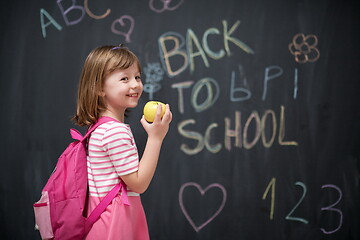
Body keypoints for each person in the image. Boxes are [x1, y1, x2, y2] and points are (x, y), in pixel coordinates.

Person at [72, 45, 172, 239]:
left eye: (137, 77)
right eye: (124, 78)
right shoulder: (114, 132)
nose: (135, 84)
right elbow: (138, 184)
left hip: (104, 221)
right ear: (99, 87)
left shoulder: (99, 128)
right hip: (114, 225)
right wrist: (156, 137)